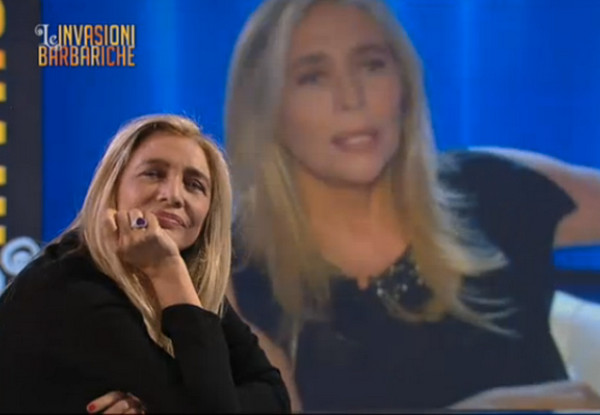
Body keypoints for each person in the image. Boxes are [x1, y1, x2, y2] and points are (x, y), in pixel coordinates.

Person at [90, 0, 600, 412]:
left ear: (404, 83)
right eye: (313, 76)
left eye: (371, 65)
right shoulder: (231, 271)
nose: (352, 98)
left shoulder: (491, 188)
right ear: (269, 108)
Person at [0, 114, 290, 413]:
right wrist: (166, 269)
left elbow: (275, 396)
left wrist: (156, 406)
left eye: (194, 184)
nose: (173, 195)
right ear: (113, 188)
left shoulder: (188, 288)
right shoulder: (70, 286)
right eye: (153, 174)